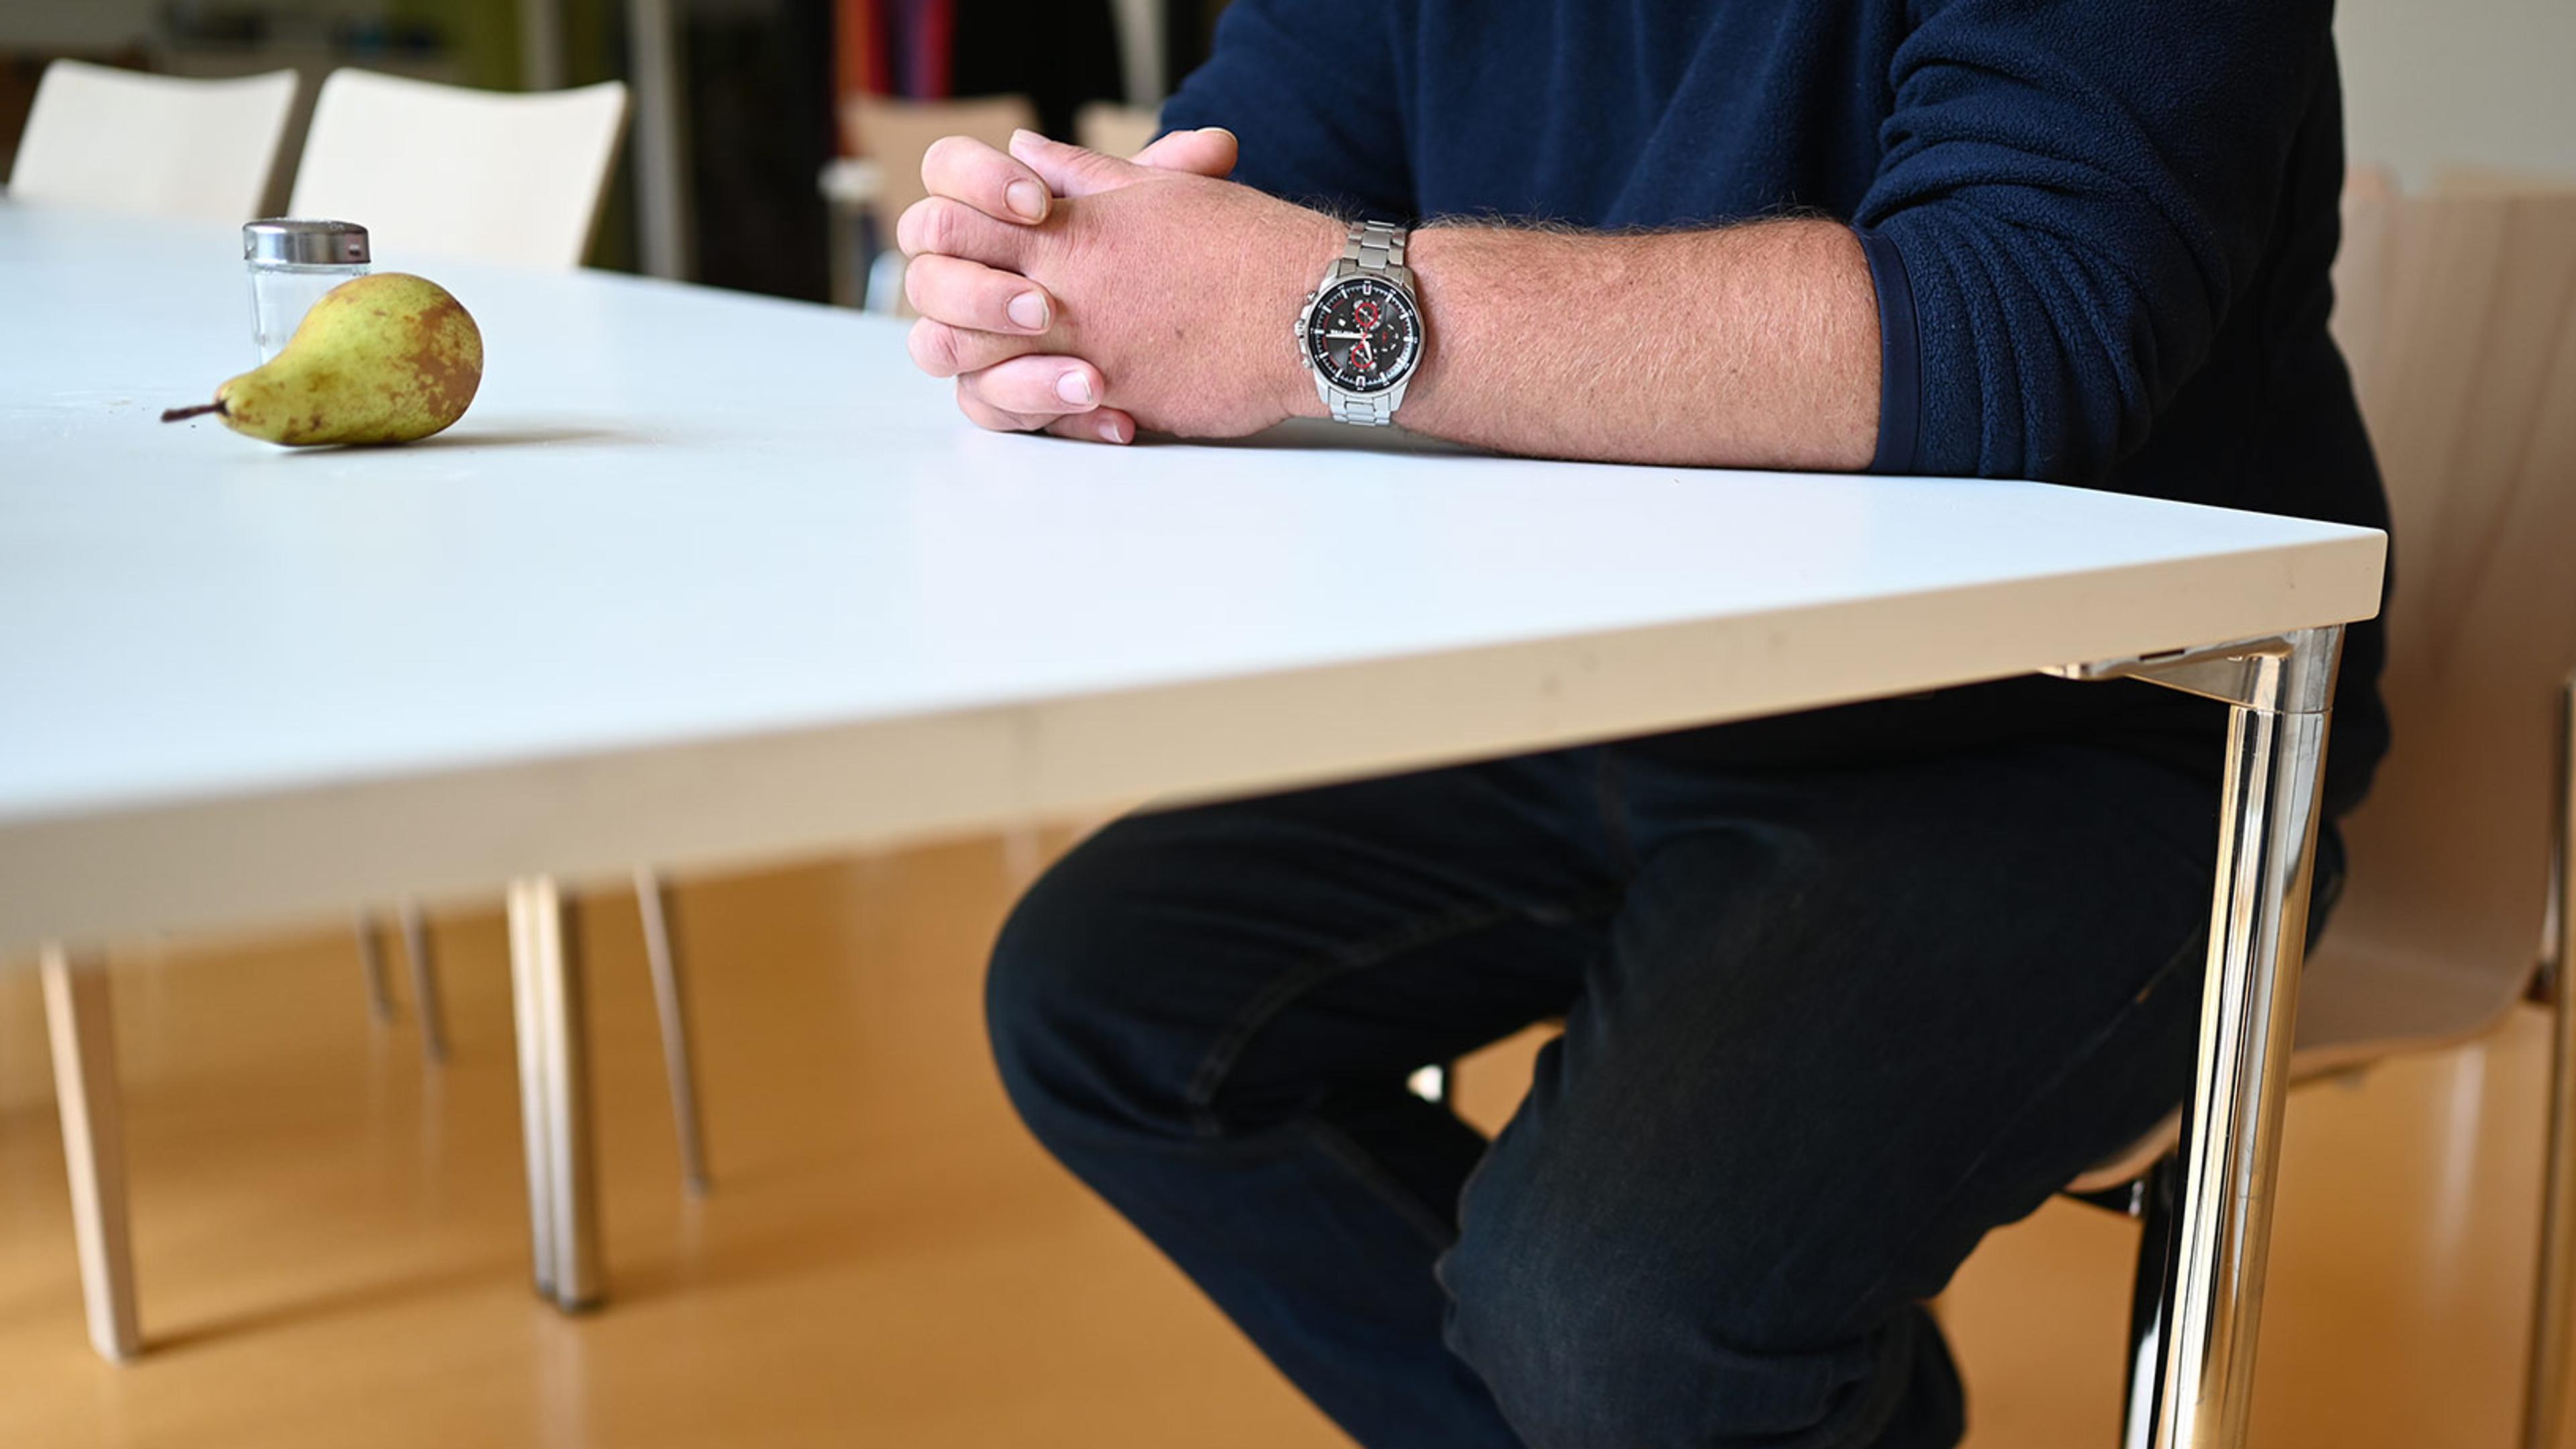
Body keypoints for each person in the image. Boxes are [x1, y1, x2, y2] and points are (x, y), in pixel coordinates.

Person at [897, 3, 2392, 1445]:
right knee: (1104, 1005)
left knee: (1614, 1324)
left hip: (2090, 726)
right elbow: (1227, 207)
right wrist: (1064, 299)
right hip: (1622, 680)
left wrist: (1316, 311)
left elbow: (2015, 322)